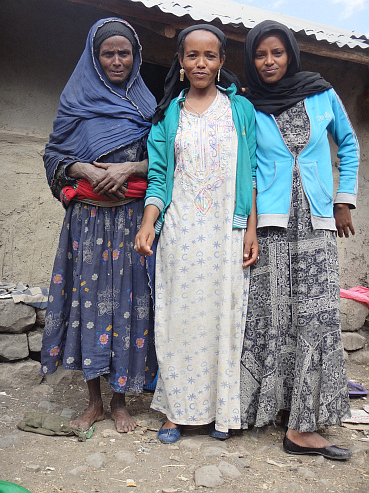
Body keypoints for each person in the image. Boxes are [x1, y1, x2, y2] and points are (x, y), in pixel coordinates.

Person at [240, 20, 359, 459]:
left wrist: (343, 199)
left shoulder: (322, 92)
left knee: (317, 314)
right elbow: (247, 170)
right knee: (272, 316)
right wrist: (250, 227)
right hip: (271, 226)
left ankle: (304, 425)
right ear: (251, 59)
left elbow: (348, 144)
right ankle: (272, 409)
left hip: (317, 222)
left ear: (290, 54)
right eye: (260, 55)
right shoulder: (248, 106)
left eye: (277, 53)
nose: (269, 62)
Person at [135, 24, 258, 443]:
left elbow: (251, 173)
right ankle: (175, 412)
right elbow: (158, 177)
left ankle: (219, 413)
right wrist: (149, 222)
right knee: (178, 320)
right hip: (182, 233)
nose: (200, 63)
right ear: (181, 63)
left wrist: (250, 229)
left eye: (210, 55)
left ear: (223, 62)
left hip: (226, 230)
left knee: (224, 320)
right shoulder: (169, 114)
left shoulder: (240, 111)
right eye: (192, 56)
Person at [41, 17, 157, 433]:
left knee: (128, 303)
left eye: (124, 53)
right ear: (94, 56)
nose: (116, 60)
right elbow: (54, 156)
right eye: (107, 53)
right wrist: (86, 170)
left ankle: (121, 400)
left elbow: (162, 160)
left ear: (136, 56)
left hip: (131, 220)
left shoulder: (147, 106)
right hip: (87, 222)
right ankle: (93, 401)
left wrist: (128, 167)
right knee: (87, 304)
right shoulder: (75, 101)